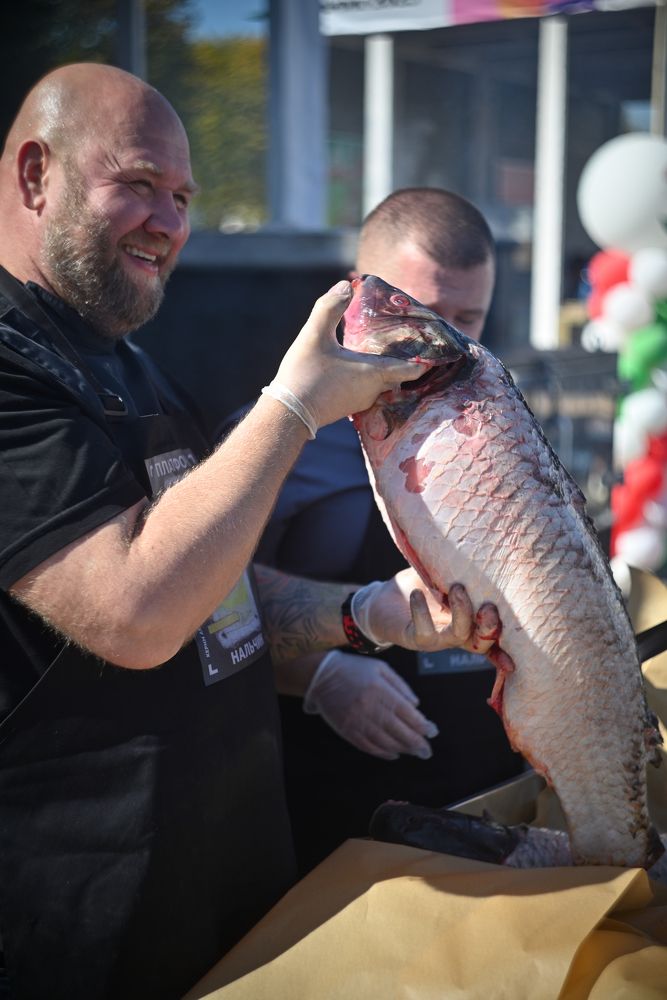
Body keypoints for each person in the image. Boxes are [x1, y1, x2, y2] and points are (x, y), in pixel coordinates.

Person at [0, 68, 508, 1000]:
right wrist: (293, 407)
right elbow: (138, 610)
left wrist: (363, 617)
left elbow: (218, 593)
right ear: (37, 175)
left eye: (184, 197)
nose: (169, 220)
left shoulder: (135, 367)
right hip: (88, 932)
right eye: (139, 183)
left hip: (227, 904)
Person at [256, 188, 525, 875]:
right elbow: (208, 614)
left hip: (489, 811)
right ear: (359, 303)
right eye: (427, 317)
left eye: (469, 320)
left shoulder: (499, 431)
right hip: (339, 832)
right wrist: (317, 674)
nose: (449, 347)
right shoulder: (275, 438)